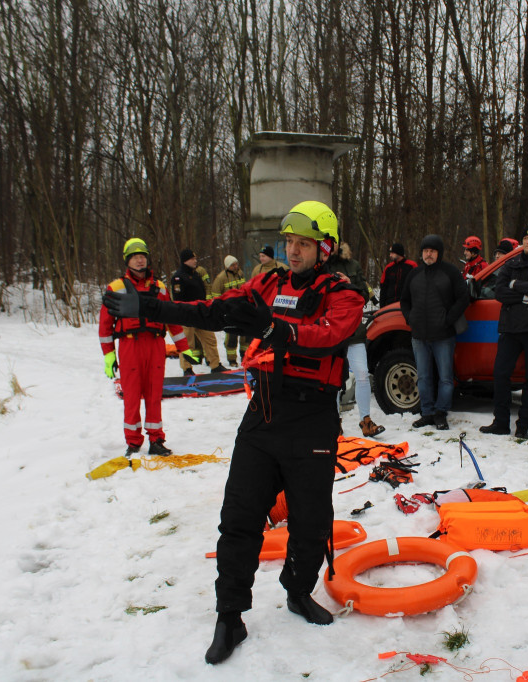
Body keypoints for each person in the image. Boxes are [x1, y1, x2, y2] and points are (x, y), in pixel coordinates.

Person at [103, 201, 364, 665]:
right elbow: (211, 310)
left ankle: (298, 591)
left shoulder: (344, 292)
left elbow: (327, 333)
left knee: (310, 523)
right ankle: (230, 616)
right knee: (238, 518)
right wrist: (150, 305)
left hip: (312, 422)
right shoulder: (268, 282)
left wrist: (272, 326)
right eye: (289, 242)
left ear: (323, 248)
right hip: (263, 414)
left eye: (303, 243)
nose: (294, 250)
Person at [99, 238, 191, 457]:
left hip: (155, 345)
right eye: (134, 257)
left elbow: (172, 320)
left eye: (142, 256)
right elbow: (105, 326)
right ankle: (133, 442)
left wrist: (183, 346)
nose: (140, 260)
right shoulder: (116, 288)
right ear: (127, 260)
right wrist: (109, 356)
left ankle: (156, 440)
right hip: (130, 345)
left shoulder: (158, 288)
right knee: (131, 396)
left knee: (154, 394)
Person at [478, 226, 528, 439]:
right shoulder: (511, 263)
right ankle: (501, 422)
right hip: (510, 329)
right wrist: (525, 295)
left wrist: (516, 285)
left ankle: (523, 424)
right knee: (501, 374)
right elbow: (500, 291)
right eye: (526, 238)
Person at [400, 234, 469, 431]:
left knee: (446, 378)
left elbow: (463, 298)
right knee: (423, 377)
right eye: (425, 251)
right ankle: (427, 412)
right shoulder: (414, 274)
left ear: (439, 253)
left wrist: (448, 319)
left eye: (432, 251)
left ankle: (441, 413)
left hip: (444, 336)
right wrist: (410, 318)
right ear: (421, 253)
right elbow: (404, 300)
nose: (428, 254)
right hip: (419, 335)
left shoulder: (450, 272)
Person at [329, 242, 385, 437]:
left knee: (362, 373)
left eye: (334, 242)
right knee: (333, 377)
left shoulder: (352, 265)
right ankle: (333, 422)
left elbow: (364, 294)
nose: (331, 246)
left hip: (354, 329)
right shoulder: (320, 266)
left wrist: (348, 284)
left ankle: (366, 420)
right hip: (331, 329)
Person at [171, 248, 224, 374]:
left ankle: (215, 365)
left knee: (210, 339)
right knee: (187, 344)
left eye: (195, 258)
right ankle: (187, 368)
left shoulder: (196, 275)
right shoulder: (178, 278)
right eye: (192, 258)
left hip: (201, 313)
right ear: (185, 261)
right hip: (187, 315)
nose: (195, 261)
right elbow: (178, 299)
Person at [212, 255, 250, 366]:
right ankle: (232, 359)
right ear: (227, 266)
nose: (236, 266)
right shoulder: (221, 278)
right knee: (232, 336)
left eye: (236, 264)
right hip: (230, 311)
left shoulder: (240, 274)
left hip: (243, 309)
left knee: (246, 335)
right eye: (233, 265)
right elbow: (215, 295)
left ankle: (245, 355)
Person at [378, 243, 416, 307]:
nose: (390, 255)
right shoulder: (388, 268)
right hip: (390, 305)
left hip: (407, 305)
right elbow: (383, 289)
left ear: (398, 253)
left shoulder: (411, 266)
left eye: (392, 253)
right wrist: (382, 306)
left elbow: (417, 287)